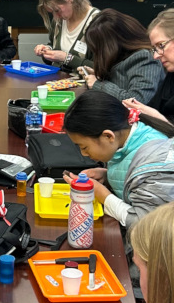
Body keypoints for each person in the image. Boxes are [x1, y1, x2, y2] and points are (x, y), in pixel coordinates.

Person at [62, 91, 174, 230]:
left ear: (108, 136)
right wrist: (107, 175)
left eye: (84, 147)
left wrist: (103, 196)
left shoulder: (156, 168)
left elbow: (146, 226)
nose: (83, 154)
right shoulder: (131, 135)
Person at [78, 9, 164, 102]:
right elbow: (121, 80)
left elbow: (136, 101)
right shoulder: (123, 54)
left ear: (109, 45)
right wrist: (100, 76)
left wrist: (98, 84)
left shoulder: (145, 57)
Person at [33, 0, 100, 73]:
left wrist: (67, 58)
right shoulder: (60, 20)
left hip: (85, 86)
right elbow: (55, 49)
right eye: (52, 13)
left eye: (57, 10)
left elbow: (101, 69)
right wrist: (47, 50)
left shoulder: (98, 23)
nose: (56, 17)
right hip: (58, 82)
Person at [122, 8, 174, 125]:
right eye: (154, 49)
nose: (155, 56)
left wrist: (157, 118)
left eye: (161, 45)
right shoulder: (171, 75)